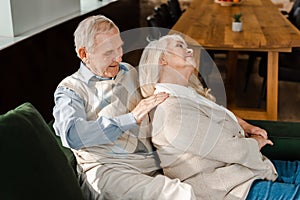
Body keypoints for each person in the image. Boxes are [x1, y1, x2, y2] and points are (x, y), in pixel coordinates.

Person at [138, 34, 300, 200]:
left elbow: (218, 112)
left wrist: (245, 126)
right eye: (179, 46)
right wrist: (257, 141)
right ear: (162, 59)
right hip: (231, 189)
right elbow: (232, 149)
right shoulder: (171, 111)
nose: (189, 50)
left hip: (246, 170)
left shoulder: (186, 95)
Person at [53, 15, 196, 200]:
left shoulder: (128, 70)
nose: (119, 56)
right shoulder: (71, 90)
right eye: (108, 52)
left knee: (207, 181)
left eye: (119, 47)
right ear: (84, 54)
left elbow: (166, 90)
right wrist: (131, 118)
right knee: (180, 194)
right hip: (110, 171)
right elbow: (72, 134)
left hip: (151, 162)